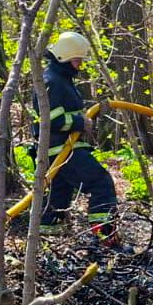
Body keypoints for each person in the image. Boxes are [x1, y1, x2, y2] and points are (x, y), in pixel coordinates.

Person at [34, 31, 130, 251]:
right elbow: (52, 120)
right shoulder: (54, 82)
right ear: (63, 59)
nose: (79, 65)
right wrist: (80, 122)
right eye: (77, 60)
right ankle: (106, 235)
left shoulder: (60, 80)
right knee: (100, 181)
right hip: (62, 151)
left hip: (59, 151)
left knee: (61, 192)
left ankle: (48, 230)